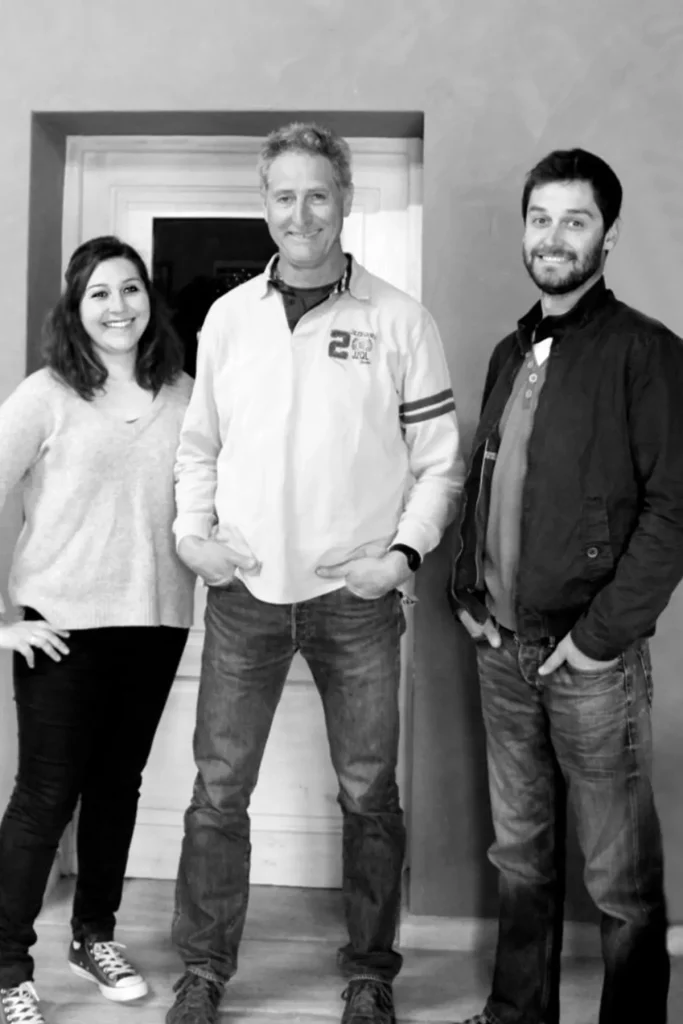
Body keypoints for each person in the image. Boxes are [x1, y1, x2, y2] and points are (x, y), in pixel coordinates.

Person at [166, 121, 463, 1024]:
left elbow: (440, 461)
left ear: (345, 202)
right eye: (284, 196)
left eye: (318, 194)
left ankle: (369, 974)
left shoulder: (400, 319)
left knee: (369, 795)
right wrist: (193, 538)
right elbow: (198, 446)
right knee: (218, 794)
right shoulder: (226, 319)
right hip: (244, 596)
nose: (302, 213)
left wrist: (399, 558)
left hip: (355, 602)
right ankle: (204, 972)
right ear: (265, 206)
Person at [449, 149, 683, 1024]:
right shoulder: (512, 349)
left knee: (617, 878)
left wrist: (597, 640)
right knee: (519, 855)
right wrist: (466, 601)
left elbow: (672, 514)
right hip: (502, 653)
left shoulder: (646, 353)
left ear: (607, 235)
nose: (552, 237)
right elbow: (486, 478)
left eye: (574, 220)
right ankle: (517, 1014)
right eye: (540, 218)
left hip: (589, 658)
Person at [0, 236, 196, 1024]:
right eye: (99, 294)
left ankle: (93, 935)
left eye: (131, 289)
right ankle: (9, 964)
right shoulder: (45, 395)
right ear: (75, 311)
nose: (118, 306)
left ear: (150, 300)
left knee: (117, 789)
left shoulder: (183, 393)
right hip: (61, 628)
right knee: (46, 797)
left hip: (153, 623)